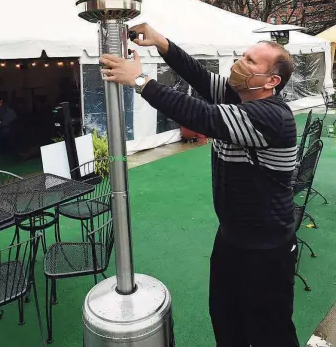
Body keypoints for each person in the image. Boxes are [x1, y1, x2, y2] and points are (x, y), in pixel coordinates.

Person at [99, 23, 300, 347]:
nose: (239, 63)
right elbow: (199, 77)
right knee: (225, 320)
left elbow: (201, 115)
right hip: (232, 238)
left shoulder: (270, 117)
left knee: (270, 333)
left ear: (271, 81)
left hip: (265, 248)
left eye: (250, 62)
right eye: (243, 56)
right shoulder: (239, 97)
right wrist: (161, 42)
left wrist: (139, 79)